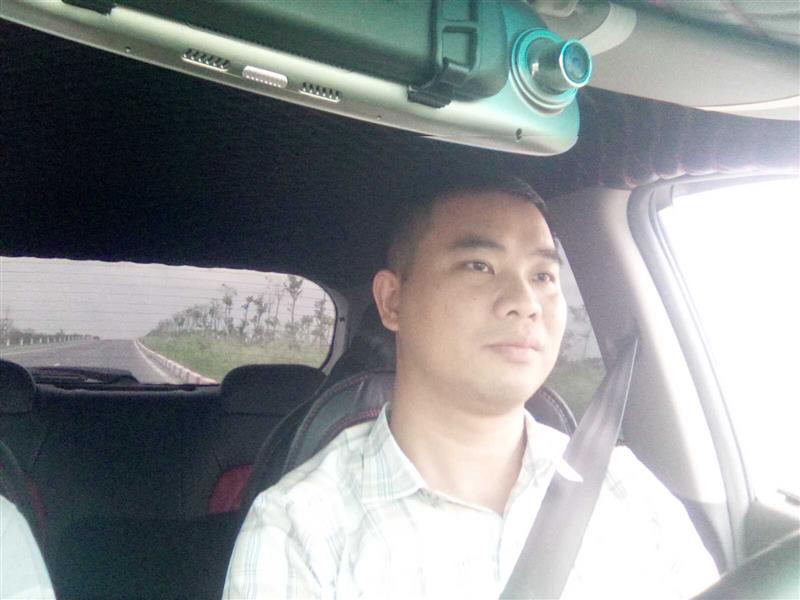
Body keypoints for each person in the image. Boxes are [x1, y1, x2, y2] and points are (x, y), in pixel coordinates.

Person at [222, 171, 719, 599]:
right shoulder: (302, 527)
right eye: (478, 266)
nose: (525, 301)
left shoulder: (627, 491)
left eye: (544, 276)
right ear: (393, 301)